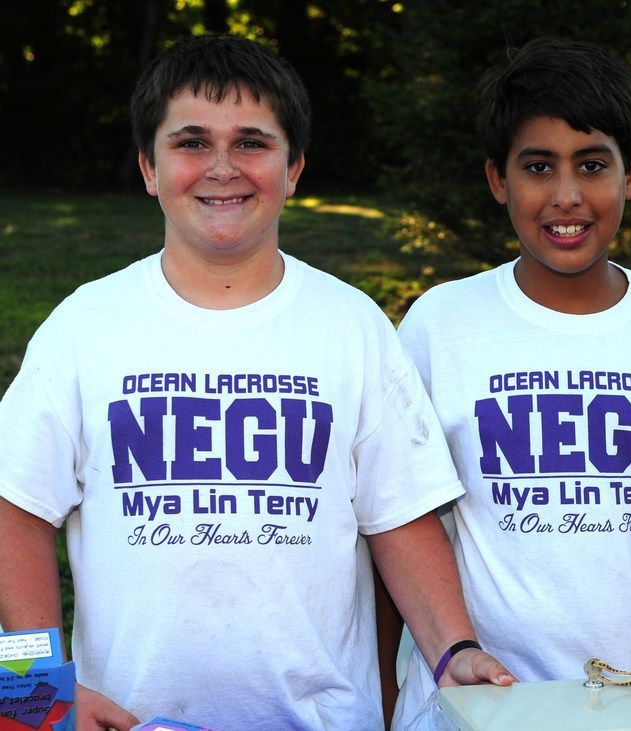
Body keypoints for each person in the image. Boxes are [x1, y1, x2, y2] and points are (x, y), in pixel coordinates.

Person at [0, 34, 513, 731]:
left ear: (294, 167)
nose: (220, 168)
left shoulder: (350, 325)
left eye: (251, 142)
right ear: (148, 166)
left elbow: (401, 513)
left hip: (322, 718)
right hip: (129, 718)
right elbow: (16, 507)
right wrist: (41, 685)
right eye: (190, 143)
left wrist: (454, 649)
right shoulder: (86, 327)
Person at [389, 36, 631, 728]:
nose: (566, 196)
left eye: (592, 165)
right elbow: (398, 528)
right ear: (498, 179)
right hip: (481, 707)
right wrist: (379, 700)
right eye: (537, 167)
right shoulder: (442, 324)